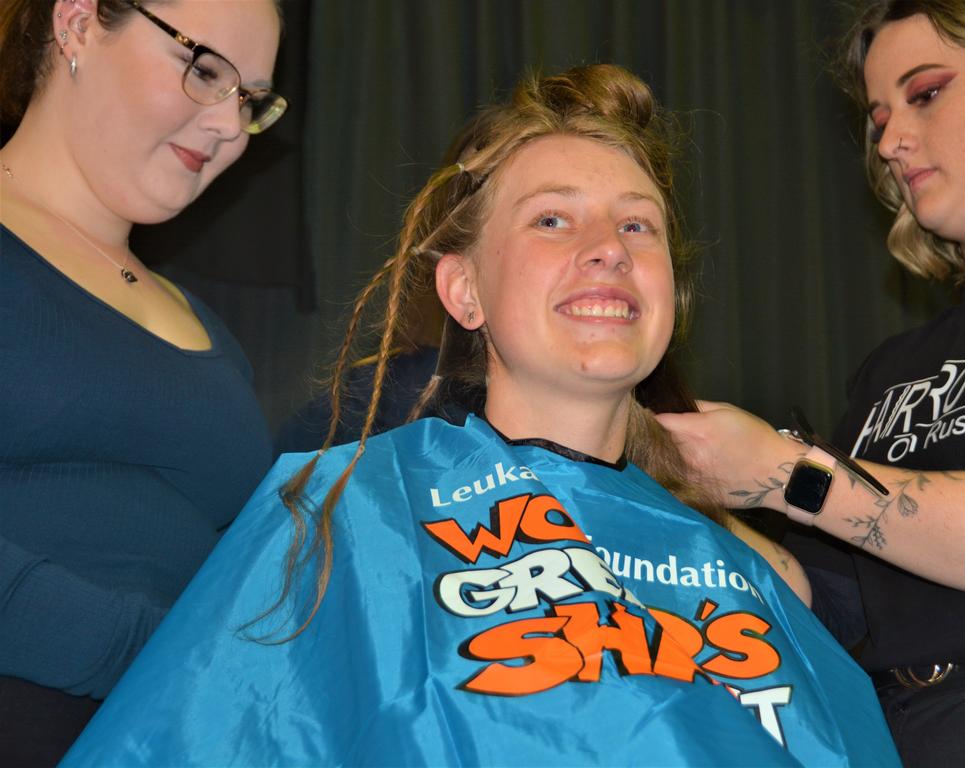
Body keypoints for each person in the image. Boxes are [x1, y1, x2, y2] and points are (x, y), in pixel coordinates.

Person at [62, 64, 899, 767]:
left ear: (669, 296)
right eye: (551, 218)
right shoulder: (345, 514)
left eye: (637, 224)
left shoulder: (744, 575)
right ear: (464, 290)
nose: (609, 245)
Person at [655, 1, 965, 765]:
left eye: (925, 93)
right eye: (879, 116)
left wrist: (787, 472)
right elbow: (831, 607)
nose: (890, 141)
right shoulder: (890, 370)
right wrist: (664, 490)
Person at [0, 0, 287, 762]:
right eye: (203, 71)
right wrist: (166, 659)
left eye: (251, 98)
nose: (230, 126)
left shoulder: (207, 329)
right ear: (79, 24)